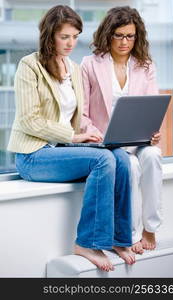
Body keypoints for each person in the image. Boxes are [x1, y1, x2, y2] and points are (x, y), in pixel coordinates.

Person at [7, 5, 135, 271]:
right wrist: (75, 137)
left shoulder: (74, 69)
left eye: (75, 36)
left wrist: (93, 135)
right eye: (64, 36)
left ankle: (118, 238)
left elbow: (77, 118)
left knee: (120, 157)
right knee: (102, 160)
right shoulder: (29, 66)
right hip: (34, 156)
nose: (71, 43)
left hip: (63, 149)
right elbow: (30, 120)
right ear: (50, 34)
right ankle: (87, 242)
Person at [81, 6, 162, 254]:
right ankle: (130, 234)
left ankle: (150, 227)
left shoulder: (145, 66)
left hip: (138, 139)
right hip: (106, 141)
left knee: (152, 156)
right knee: (132, 165)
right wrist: (95, 133)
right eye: (119, 35)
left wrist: (153, 131)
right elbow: (82, 114)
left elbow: (151, 106)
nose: (125, 42)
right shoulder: (89, 65)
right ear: (108, 34)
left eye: (130, 36)